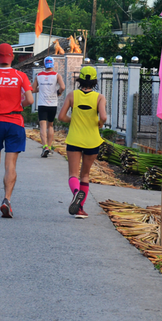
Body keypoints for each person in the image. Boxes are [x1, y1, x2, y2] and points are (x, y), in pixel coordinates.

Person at [0, 43, 34, 218]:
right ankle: (7, 200)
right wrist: (19, 105)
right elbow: (30, 99)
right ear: (11, 57)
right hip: (15, 121)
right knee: (10, 164)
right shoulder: (20, 75)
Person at [58, 66, 106, 219]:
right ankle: (80, 209)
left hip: (74, 139)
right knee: (84, 175)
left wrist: (73, 120)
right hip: (92, 141)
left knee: (73, 174)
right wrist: (99, 123)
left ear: (80, 79)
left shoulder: (72, 95)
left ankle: (76, 194)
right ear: (94, 81)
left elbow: (61, 117)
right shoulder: (99, 97)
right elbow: (104, 117)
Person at [31, 56, 65, 158]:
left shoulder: (38, 76)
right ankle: (49, 147)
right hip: (52, 104)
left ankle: (44, 146)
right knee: (50, 125)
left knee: (42, 126)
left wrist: (40, 89)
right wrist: (58, 92)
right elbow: (62, 87)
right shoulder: (57, 75)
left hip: (42, 104)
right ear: (53, 64)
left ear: (44, 64)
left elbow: (33, 89)